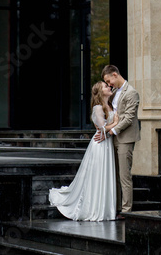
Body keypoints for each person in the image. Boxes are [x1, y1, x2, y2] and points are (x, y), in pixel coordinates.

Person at [49, 81, 119, 221]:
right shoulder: (98, 108)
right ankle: (93, 207)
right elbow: (102, 128)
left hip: (107, 143)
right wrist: (116, 122)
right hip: (100, 144)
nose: (109, 87)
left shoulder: (110, 105)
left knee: (105, 174)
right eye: (106, 86)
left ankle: (106, 209)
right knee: (98, 175)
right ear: (100, 92)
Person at [96, 65, 140, 218]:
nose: (109, 85)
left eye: (109, 81)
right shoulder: (114, 92)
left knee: (124, 175)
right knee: (113, 174)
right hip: (112, 139)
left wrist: (110, 131)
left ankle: (126, 211)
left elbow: (128, 118)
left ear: (115, 74)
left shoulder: (132, 93)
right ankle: (114, 208)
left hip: (125, 139)